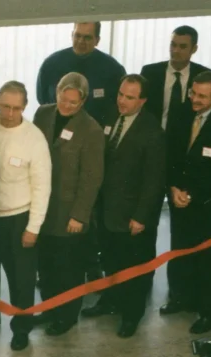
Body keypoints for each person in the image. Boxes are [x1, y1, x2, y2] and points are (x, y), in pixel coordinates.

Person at [138, 26, 211, 315]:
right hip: (150, 156)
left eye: (182, 46)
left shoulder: (203, 77)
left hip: (180, 161)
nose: (176, 51)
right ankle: (142, 278)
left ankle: (178, 292)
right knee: (145, 222)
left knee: (181, 231)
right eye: (172, 44)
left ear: (193, 49)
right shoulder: (151, 71)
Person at [82, 75, 166, 338]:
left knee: (134, 268)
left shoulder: (152, 130)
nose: (122, 101)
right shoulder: (110, 117)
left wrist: (141, 216)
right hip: (107, 211)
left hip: (133, 215)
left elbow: (155, 180)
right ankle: (110, 301)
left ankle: (131, 315)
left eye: (129, 97)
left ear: (142, 100)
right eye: (120, 94)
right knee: (111, 260)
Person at [162, 72, 211, 334]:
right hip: (179, 198)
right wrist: (173, 188)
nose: (195, 100)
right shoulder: (181, 113)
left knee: (208, 260)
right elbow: (171, 155)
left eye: (202, 96)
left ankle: (209, 313)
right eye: (193, 93)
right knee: (179, 251)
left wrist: (192, 195)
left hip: (210, 206)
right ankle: (180, 298)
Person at [0, 81, 51, 349]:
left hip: (18, 218)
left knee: (21, 280)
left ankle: (21, 328)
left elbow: (42, 187)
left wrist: (33, 227)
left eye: (16, 108)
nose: (10, 114)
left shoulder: (34, 138)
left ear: (25, 107)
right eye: (5, 106)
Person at [33, 72, 104, 336]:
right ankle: (50, 309)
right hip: (43, 208)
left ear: (83, 101)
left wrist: (80, 215)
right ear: (57, 92)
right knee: (47, 265)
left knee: (68, 269)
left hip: (69, 213)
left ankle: (66, 316)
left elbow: (92, 178)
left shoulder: (91, 130)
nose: (67, 106)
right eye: (64, 99)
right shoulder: (43, 114)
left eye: (73, 103)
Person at [36, 22, 126, 126]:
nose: (81, 41)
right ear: (71, 35)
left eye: (87, 37)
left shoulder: (113, 69)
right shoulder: (51, 64)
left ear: (97, 40)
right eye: (77, 36)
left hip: (95, 132)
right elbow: (42, 98)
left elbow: (119, 105)